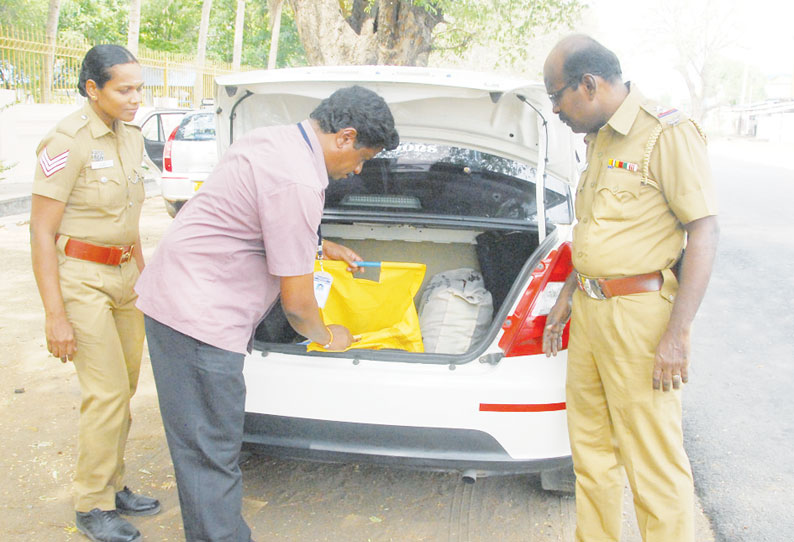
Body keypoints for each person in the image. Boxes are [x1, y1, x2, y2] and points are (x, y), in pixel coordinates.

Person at [134, 85, 399, 541]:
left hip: (180, 296)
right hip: (197, 315)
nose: (358, 170)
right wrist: (328, 334)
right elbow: (297, 306)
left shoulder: (273, 140)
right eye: (363, 158)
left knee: (206, 446)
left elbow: (250, 215)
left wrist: (318, 245)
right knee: (209, 452)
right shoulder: (299, 180)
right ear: (345, 136)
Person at [541, 35, 719, 542]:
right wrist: (566, 296)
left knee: (653, 464)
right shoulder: (598, 138)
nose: (555, 109)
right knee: (592, 454)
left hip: (642, 319)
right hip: (592, 315)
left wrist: (677, 334)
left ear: (589, 84)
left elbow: (703, 230)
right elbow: (598, 232)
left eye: (557, 96)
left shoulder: (665, 134)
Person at [30, 44, 161, 542]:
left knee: (124, 387)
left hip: (126, 276)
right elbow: (42, 232)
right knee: (104, 391)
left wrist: (144, 280)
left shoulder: (130, 137)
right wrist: (54, 315)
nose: (135, 98)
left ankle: (113, 482)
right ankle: (91, 504)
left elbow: (127, 221)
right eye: (124, 89)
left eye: (139, 88)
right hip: (80, 277)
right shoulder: (66, 141)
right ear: (93, 89)